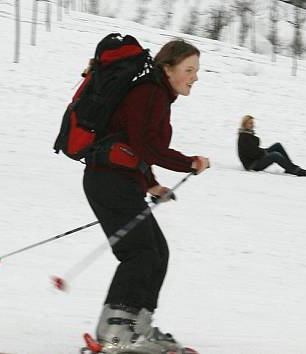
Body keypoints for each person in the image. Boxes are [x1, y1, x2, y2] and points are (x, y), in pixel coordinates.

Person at [83, 39, 209, 354]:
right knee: (140, 254)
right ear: (167, 69)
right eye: (189, 69)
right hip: (108, 180)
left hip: (117, 180)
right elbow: (146, 146)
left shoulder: (155, 95)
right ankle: (114, 332)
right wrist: (189, 163)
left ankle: (135, 328)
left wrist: (151, 184)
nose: (195, 77)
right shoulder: (149, 93)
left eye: (197, 70)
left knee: (157, 253)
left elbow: (131, 144)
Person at [237, 115, 306, 177]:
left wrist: (263, 152)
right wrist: (264, 153)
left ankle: (289, 167)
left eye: (252, 123)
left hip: (256, 158)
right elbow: (251, 153)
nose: (252, 125)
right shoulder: (243, 137)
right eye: (250, 123)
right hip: (252, 164)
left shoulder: (248, 134)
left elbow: (254, 149)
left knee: (277, 146)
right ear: (244, 124)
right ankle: (295, 170)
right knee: (275, 155)